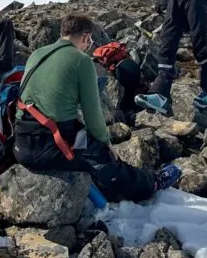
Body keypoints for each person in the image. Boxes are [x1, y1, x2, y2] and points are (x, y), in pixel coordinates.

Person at [13, 14, 181, 202]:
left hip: (20, 142)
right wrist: (106, 144)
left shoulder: (37, 54)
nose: (88, 45)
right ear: (85, 37)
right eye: (89, 40)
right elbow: (93, 115)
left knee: (76, 133)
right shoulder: (81, 61)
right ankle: (152, 184)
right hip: (48, 147)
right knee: (104, 158)